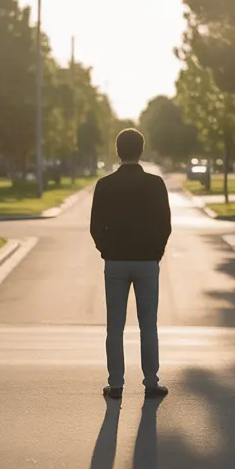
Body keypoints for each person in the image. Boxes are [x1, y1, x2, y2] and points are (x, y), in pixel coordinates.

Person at [89, 128, 172, 400]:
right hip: (147, 261)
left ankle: (115, 384)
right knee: (149, 326)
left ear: (117, 151)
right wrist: (156, 252)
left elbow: (95, 227)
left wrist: (106, 251)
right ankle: (151, 382)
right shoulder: (156, 184)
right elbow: (165, 225)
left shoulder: (104, 185)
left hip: (115, 262)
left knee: (115, 326)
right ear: (141, 150)